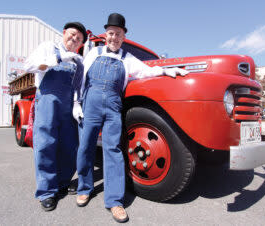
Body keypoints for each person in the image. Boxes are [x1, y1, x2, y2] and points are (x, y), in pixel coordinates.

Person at [75, 13, 189, 223]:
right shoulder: (93, 53)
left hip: (112, 108)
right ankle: (84, 188)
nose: (114, 38)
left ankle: (115, 201)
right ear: (106, 34)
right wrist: (77, 103)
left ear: (123, 37)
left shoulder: (128, 59)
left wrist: (166, 71)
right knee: (85, 147)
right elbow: (81, 77)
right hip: (89, 105)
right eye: (110, 33)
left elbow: (147, 71)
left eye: (118, 34)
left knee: (113, 151)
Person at [24, 22, 87, 211]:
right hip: (48, 101)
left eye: (79, 38)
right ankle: (46, 191)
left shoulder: (78, 60)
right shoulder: (48, 47)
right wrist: (58, 58)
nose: (74, 39)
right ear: (64, 33)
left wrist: (76, 103)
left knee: (69, 146)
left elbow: (78, 86)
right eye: (72, 34)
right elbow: (29, 66)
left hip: (69, 105)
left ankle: (62, 183)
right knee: (45, 144)